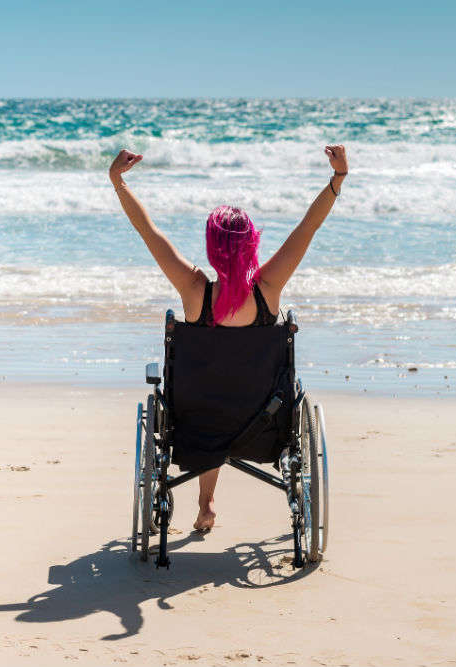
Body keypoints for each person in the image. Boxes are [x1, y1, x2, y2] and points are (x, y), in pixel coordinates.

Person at [109, 144, 349, 532]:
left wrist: (117, 182)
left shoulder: (193, 290)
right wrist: (337, 179)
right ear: (252, 242)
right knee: (231, 396)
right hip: (264, 426)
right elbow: (308, 227)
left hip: (195, 424)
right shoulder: (268, 288)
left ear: (212, 248)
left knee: (211, 398)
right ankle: (207, 501)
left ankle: (205, 503)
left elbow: (147, 231)